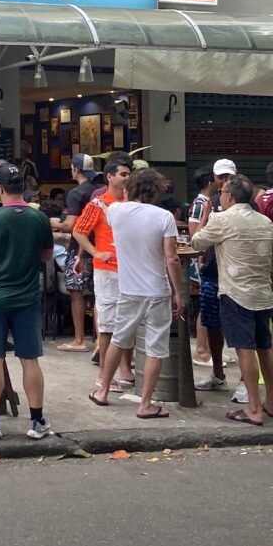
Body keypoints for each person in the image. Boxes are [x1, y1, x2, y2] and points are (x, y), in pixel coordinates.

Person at [0, 163, 54, 441]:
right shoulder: (38, 218)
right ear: (22, 188)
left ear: (0, 189)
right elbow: (47, 255)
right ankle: (37, 419)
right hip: (28, 296)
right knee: (30, 359)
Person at [89, 169, 182, 419]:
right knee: (155, 347)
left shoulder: (118, 212)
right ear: (156, 191)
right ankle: (146, 404)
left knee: (118, 339)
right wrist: (179, 293)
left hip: (128, 289)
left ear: (130, 189)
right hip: (157, 290)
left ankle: (103, 391)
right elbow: (172, 259)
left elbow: (108, 211)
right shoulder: (165, 217)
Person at [191, 173, 273, 426]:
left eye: (223, 193)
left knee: (244, 349)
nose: (220, 196)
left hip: (236, 293)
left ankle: (253, 408)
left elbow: (197, 241)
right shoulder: (265, 222)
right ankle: (270, 401)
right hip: (263, 293)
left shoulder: (223, 220)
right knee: (265, 346)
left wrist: (206, 218)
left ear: (231, 196)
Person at [72, 156, 135, 391]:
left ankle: (126, 370)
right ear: (109, 176)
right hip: (107, 272)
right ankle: (103, 375)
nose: (127, 178)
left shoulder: (132, 203)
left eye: (129, 174)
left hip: (129, 270)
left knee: (127, 322)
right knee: (109, 324)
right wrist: (95, 252)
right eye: (123, 174)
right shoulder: (98, 203)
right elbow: (79, 230)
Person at [52, 153, 98, 352]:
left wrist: (55, 224)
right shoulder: (99, 191)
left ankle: (79, 339)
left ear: (75, 169)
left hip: (79, 248)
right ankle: (99, 339)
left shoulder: (75, 194)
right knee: (99, 295)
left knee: (76, 292)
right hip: (99, 246)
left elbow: (71, 225)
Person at [188, 165, 226, 384]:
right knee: (206, 304)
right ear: (210, 182)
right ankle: (202, 350)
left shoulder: (208, 203)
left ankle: (208, 350)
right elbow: (195, 234)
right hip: (203, 260)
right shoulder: (202, 204)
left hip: (207, 259)